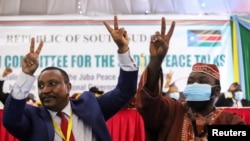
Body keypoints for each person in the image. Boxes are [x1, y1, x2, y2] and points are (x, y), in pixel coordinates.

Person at [3, 15, 138, 141]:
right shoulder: (33, 117)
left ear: (68, 87)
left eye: (52, 83)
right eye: (41, 86)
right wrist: (26, 75)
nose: (45, 90)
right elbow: (11, 120)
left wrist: (123, 49)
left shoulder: (90, 106)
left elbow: (125, 92)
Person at [135, 17, 245, 141]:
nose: (194, 85)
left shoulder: (228, 121)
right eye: (190, 82)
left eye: (202, 81)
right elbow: (147, 103)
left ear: (217, 91)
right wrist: (156, 60)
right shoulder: (172, 111)